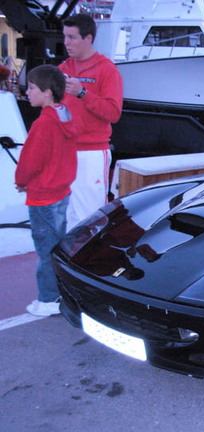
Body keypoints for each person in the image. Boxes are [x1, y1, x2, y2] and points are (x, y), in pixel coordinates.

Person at [15, 64, 78, 317]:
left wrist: (21, 182)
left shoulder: (43, 124)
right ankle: (60, 291)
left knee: (45, 249)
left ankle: (48, 299)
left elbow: (30, 161)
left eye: (31, 88)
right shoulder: (65, 116)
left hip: (43, 197)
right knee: (57, 244)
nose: (27, 92)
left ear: (48, 92)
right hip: (61, 193)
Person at [59, 13, 123, 230]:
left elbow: (113, 113)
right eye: (65, 37)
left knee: (91, 217)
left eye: (72, 37)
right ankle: (68, 261)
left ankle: (94, 262)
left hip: (91, 154)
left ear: (88, 38)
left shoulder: (106, 70)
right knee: (66, 214)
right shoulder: (62, 70)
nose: (66, 43)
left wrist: (82, 92)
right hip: (64, 151)